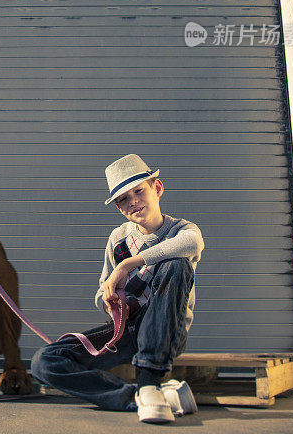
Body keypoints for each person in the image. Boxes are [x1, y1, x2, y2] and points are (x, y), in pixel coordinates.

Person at [31, 154, 204, 424]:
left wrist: (127, 265)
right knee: (45, 361)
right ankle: (136, 396)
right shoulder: (118, 238)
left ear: (157, 189)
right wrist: (109, 299)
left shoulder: (181, 230)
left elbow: (192, 244)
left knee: (176, 266)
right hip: (127, 330)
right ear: (118, 207)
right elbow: (102, 292)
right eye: (123, 198)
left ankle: (148, 380)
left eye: (139, 191)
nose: (133, 201)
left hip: (165, 330)